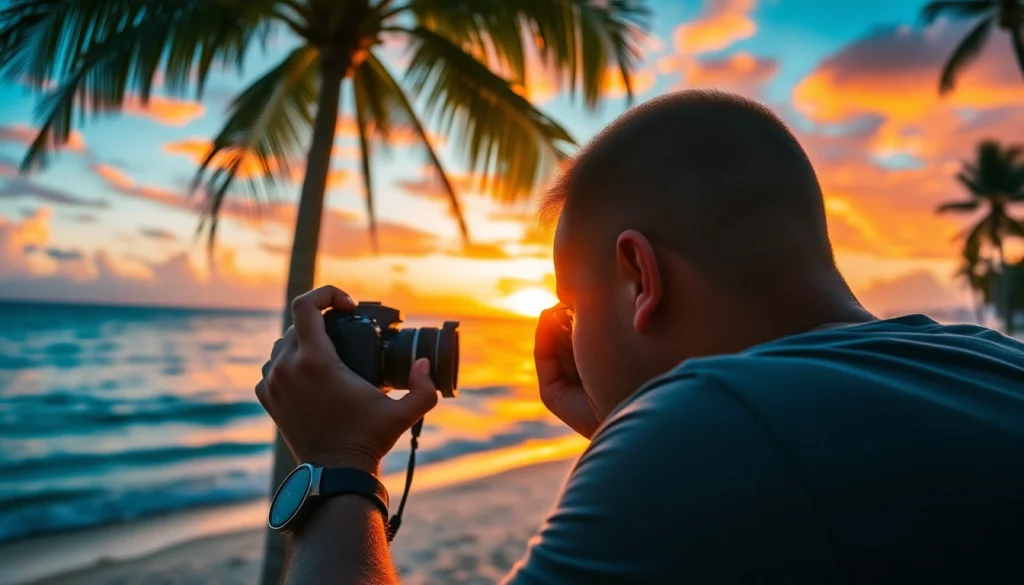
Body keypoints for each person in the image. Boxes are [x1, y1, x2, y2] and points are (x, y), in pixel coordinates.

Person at [255, 90, 1024, 584]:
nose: (571, 339)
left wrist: (336, 465)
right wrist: (623, 429)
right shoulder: (994, 366)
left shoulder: (713, 426)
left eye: (573, 310)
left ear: (639, 277)